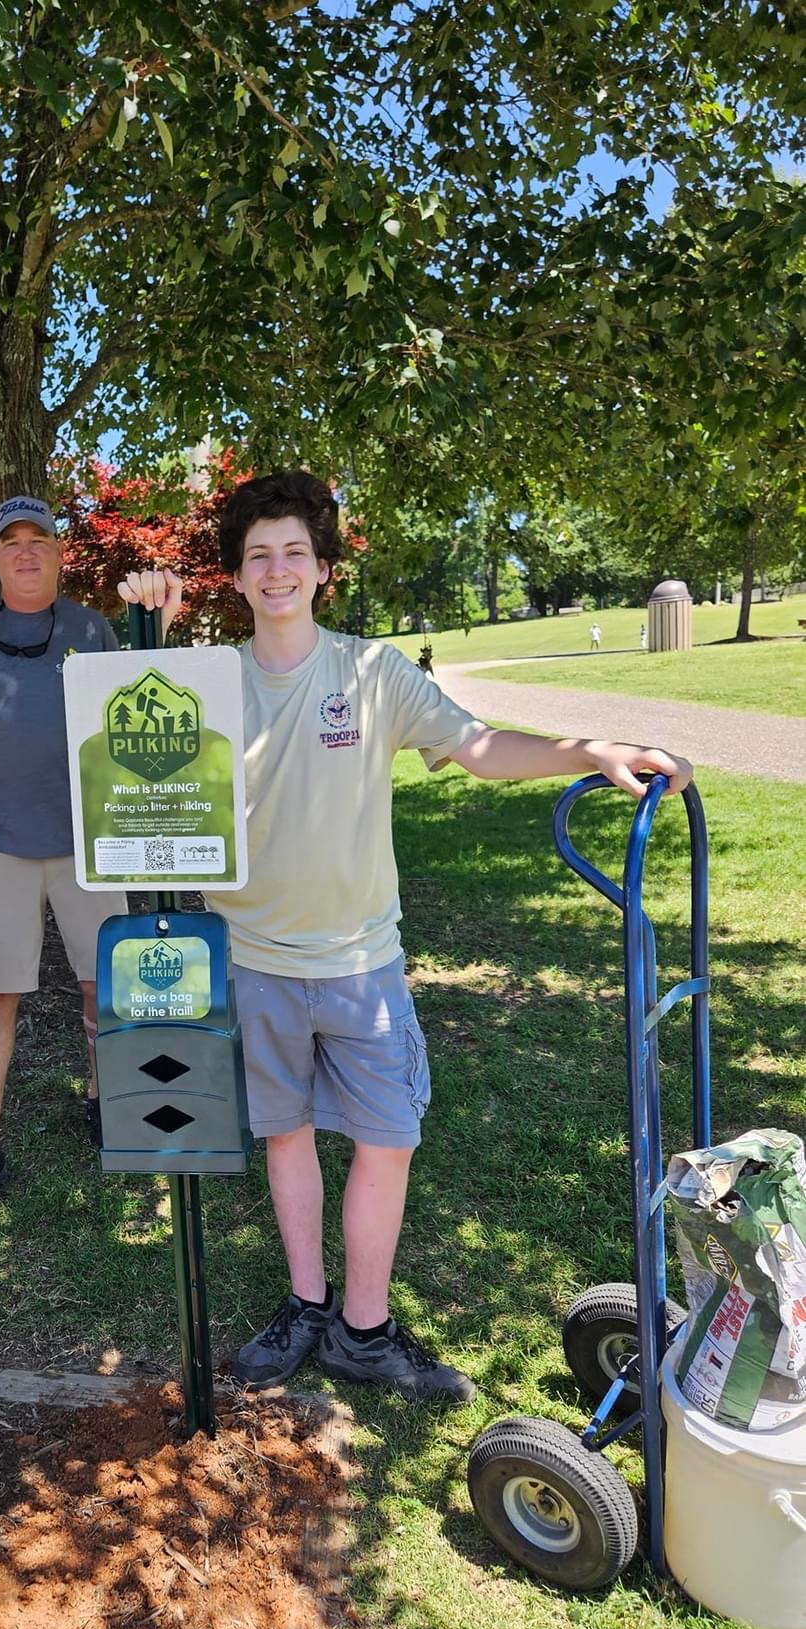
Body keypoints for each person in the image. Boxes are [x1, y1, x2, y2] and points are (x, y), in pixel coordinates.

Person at [118, 472, 692, 1404]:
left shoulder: (372, 671)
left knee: (388, 1141)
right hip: (252, 961)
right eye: (258, 555)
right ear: (236, 575)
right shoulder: (205, 680)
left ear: (324, 568)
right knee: (287, 1136)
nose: (277, 570)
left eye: (294, 552)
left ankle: (364, 1328)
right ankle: (307, 1305)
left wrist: (587, 751)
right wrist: (155, 618)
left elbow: (478, 745)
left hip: (360, 963)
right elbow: (129, 742)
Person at [0, 495, 179, 1204]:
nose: (25, 551)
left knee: (106, 984)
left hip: (89, 846)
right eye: (10, 541)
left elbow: (136, 724)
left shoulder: (92, 630)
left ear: (61, 552)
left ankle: (104, 1101)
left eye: (39, 539)